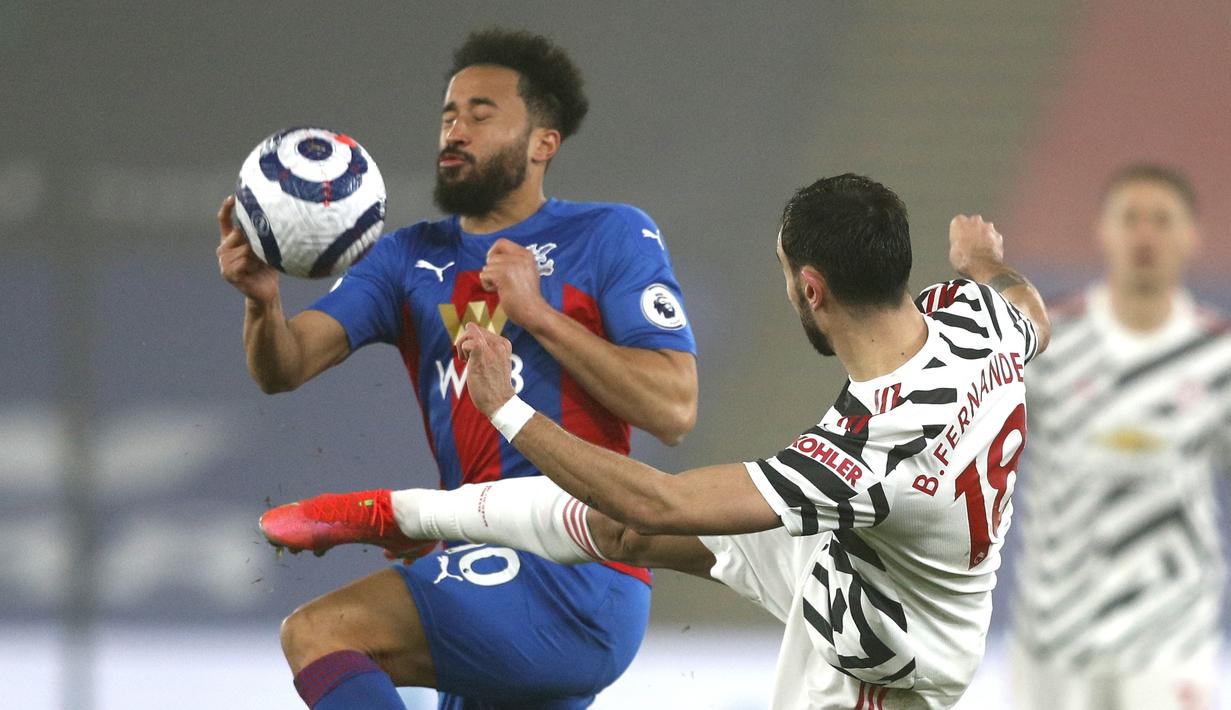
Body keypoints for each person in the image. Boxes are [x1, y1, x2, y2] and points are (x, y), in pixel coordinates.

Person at [264, 174, 1052, 709]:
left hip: (877, 656)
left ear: (811, 288)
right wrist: (983, 261)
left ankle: (410, 513)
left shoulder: (869, 445)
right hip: (862, 554)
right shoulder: (974, 320)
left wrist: (506, 411)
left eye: (785, 275)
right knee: (621, 529)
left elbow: (667, 497)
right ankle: (400, 512)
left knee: (648, 512)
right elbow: (1028, 309)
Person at [218, 29, 699, 710]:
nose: (455, 130)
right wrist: (262, 303)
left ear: (542, 143)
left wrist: (536, 314)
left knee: (321, 633)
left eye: (481, 114)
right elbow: (285, 367)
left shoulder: (610, 235)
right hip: (483, 562)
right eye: (449, 114)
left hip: (577, 570)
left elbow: (673, 409)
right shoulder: (405, 259)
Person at [1008, 164, 1231, 710]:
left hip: (1168, 634)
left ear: (1190, 237)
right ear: (1103, 232)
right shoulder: (1048, 339)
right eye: (1130, 218)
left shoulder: (1219, 353)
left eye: (1162, 220)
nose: (1145, 234)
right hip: (1053, 631)